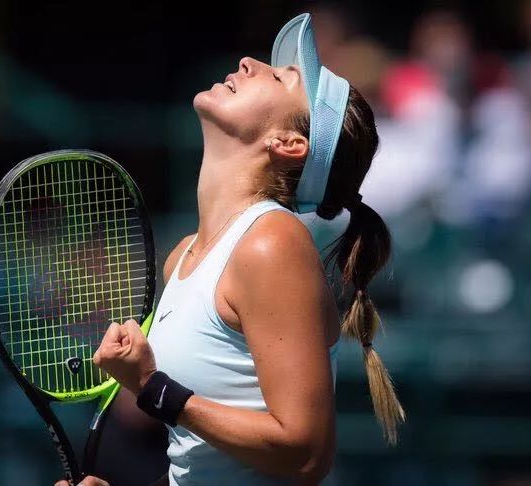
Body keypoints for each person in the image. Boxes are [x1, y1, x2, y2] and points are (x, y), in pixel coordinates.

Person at [58, 13, 404, 486]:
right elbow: (203, 465)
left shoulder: (270, 244)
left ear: (289, 143)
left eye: (280, 78)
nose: (248, 62)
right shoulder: (184, 255)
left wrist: (154, 389)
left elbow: (305, 454)